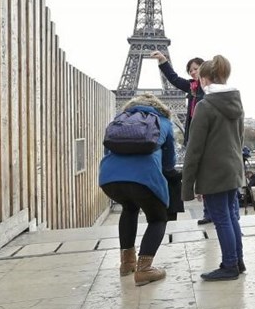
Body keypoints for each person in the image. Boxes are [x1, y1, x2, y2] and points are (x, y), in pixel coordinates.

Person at [99, 93, 176, 286]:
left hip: (110, 178)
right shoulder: (163, 121)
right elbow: (169, 162)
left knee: (129, 208)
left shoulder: (120, 119)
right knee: (158, 218)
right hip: (144, 178)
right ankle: (144, 269)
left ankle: (127, 263)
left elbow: (107, 149)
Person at [182, 55, 246, 280]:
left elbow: (194, 149)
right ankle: (237, 260)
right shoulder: (236, 103)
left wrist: (188, 185)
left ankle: (229, 265)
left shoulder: (205, 106)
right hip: (232, 170)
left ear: (206, 79)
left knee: (221, 219)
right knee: (231, 217)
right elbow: (239, 139)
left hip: (213, 173)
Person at [151, 50, 214, 226]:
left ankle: (214, 212)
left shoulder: (210, 89)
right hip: (195, 135)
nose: (193, 72)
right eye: (190, 70)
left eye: (196, 68)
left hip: (206, 137)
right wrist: (163, 61)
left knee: (208, 176)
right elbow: (174, 79)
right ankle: (208, 212)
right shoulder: (192, 88)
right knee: (203, 176)